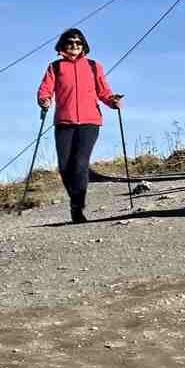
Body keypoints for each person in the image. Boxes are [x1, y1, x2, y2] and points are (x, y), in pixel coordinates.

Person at [35, 28, 124, 224]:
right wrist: (44, 100)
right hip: (64, 122)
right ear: (62, 46)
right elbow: (45, 89)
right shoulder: (55, 67)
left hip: (89, 121)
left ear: (83, 45)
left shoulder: (94, 67)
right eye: (70, 42)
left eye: (78, 42)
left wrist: (112, 101)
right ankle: (75, 200)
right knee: (65, 167)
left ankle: (77, 207)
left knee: (80, 163)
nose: (74, 46)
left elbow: (104, 92)